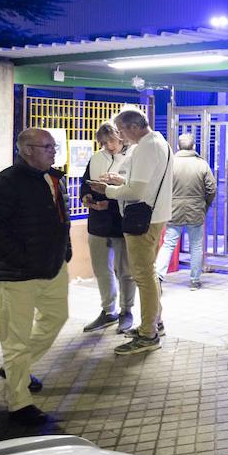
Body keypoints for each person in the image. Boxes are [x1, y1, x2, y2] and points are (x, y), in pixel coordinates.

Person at [0, 128, 72, 426]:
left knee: (56, 317)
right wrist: (24, 258)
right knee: (15, 338)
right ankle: (19, 402)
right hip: (18, 274)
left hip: (53, 267)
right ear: (27, 150)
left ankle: (17, 367)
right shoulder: (4, 183)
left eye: (53, 146)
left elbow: (60, 219)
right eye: (46, 146)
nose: (53, 151)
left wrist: (65, 250)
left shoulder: (54, 179)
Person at [95, 109, 172, 355]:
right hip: (156, 217)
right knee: (147, 274)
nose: (121, 135)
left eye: (122, 130)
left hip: (143, 220)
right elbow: (144, 184)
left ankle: (148, 333)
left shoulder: (147, 147)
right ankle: (154, 323)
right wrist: (120, 181)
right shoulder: (160, 141)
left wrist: (107, 189)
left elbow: (137, 193)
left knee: (143, 276)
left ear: (134, 126)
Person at [80, 122, 135, 333]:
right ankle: (107, 310)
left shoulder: (131, 158)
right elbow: (85, 182)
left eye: (111, 141)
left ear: (121, 137)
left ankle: (126, 310)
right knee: (101, 270)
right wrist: (86, 196)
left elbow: (134, 191)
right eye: (103, 143)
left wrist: (109, 203)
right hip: (97, 222)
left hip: (121, 223)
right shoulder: (96, 158)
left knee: (126, 271)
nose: (108, 146)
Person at [156, 132, 218, 288]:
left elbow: (161, 187)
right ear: (194, 146)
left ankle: (158, 277)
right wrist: (205, 204)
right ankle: (195, 280)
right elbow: (212, 188)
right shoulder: (202, 164)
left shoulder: (170, 164)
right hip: (196, 209)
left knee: (168, 243)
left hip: (173, 209)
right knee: (196, 245)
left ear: (178, 146)